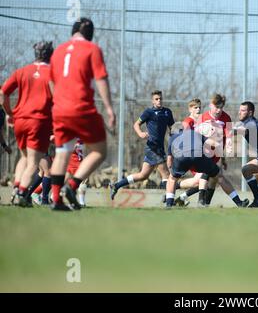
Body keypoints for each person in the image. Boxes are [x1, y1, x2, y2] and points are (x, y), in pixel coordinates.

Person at [49, 17, 116, 211]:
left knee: (62, 153)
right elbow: (101, 78)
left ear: (72, 32)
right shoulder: (92, 49)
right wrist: (109, 108)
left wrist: (57, 102)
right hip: (81, 108)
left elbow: (51, 81)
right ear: (91, 34)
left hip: (60, 110)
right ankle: (72, 186)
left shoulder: (59, 51)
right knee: (99, 151)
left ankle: (56, 200)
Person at [0, 41, 54, 207]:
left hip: (20, 120)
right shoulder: (52, 73)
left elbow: (3, 93)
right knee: (33, 163)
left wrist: (10, 113)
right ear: (50, 55)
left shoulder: (21, 71)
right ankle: (22, 192)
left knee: (24, 157)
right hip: (38, 121)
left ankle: (17, 188)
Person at [110, 90, 173, 200]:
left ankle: (116, 185)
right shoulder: (148, 112)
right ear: (152, 101)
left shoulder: (167, 112)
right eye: (156, 99)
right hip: (152, 147)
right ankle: (168, 199)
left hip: (160, 147)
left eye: (160, 99)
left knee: (143, 175)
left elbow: (172, 128)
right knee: (166, 175)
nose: (159, 101)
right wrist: (140, 134)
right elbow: (136, 124)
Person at [165, 127, 249, 208]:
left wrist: (171, 172)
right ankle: (239, 203)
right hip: (198, 155)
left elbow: (169, 159)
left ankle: (169, 204)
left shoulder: (172, 138)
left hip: (181, 158)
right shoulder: (194, 133)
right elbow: (215, 144)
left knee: (172, 179)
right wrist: (223, 157)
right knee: (219, 177)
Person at [195, 93, 233, 206]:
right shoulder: (203, 117)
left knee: (214, 179)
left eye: (221, 107)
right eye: (217, 107)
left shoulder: (226, 118)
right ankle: (200, 200)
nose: (219, 110)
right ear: (211, 105)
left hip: (218, 152)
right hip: (204, 152)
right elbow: (195, 133)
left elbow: (229, 134)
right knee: (207, 173)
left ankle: (205, 203)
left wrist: (229, 144)